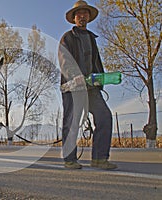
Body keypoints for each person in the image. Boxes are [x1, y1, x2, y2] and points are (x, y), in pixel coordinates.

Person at [59, 0, 117, 170]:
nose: (82, 16)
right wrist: (75, 76)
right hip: (73, 86)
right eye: (79, 14)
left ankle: (99, 158)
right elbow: (65, 61)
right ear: (74, 18)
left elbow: (96, 63)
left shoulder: (92, 39)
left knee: (104, 116)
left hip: (91, 87)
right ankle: (70, 159)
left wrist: (102, 80)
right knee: (72, 121)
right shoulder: (67, 38)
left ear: (89, 17)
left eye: (85, 13)